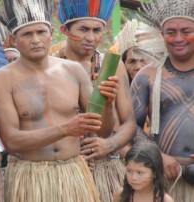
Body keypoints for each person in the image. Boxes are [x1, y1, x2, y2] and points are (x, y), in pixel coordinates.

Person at [0, 0, 118, 201]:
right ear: (13, 39)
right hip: (29, 178)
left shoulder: (73, 71)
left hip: (73, 175)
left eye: (41, 32)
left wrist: (107, 106)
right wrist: (65, 130)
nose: (36, 40)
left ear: (51, 33)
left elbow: (103, 130)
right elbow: (11, 141)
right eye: (27, 34)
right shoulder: (1, 80)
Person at [54, 1, 137, 201]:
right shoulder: (50, 65)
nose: (91, 37)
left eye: (97, 30)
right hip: (62, 170)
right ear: (64, 29)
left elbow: (129, 123)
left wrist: (108, 145)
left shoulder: (113, 66)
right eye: (83, 29)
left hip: (106, 168)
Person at [130, 0, 194, 201]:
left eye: (186, 31)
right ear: (162, 35)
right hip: (163, 181)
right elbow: (131, 126)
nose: (178, 38)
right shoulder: (147, 76)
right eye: (171, 32)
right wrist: (156, 156)